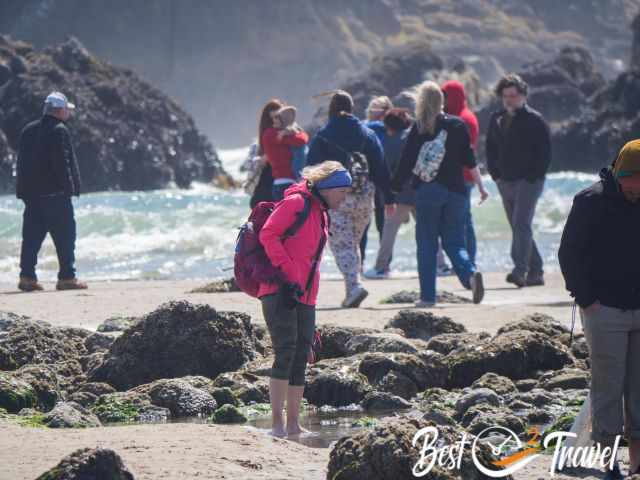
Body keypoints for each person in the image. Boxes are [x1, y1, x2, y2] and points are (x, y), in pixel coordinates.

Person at [558, 140, 640, 479]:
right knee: (607, 388)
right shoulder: (589, 202)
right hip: (603, 310)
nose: (636, 189)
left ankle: (638, 463)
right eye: (631, 183)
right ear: (619, 175)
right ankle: (608, 464)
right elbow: (569, 254)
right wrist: (586, 299)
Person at [259, 161, 351, 437]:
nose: (344, 197)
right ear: (326, 188)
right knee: (285, 351)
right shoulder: (296, 203)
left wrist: (306, 289)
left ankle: (293, 424)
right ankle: (276, 424)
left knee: (302, 356)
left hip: (306, 295)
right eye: (341, 191)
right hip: (279, 290)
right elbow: (268, 234)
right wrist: (288, 273)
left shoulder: (322, 213)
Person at [392, 81, 485, 308]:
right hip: (457, 191)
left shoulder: (420, 127)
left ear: (421, 102)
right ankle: (470, 273)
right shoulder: (458, 125)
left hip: (428, 192)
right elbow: (470, 161)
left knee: (427, 244)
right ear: (442, 101)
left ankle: (428, 297)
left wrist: (393, 189)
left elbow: (406, 162)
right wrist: (482, 187)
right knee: (455, 242)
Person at [307, 90, 395, 308]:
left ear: (332, 109)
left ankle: (354, 286)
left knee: (341, 246)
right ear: (352, 107)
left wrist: (308, 197)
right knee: (352, 244)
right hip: (365, 196)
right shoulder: (367, 134)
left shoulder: (323, 135)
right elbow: (380, 167)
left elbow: (310, 169)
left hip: (336, 197)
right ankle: (352, 290)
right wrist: (389, 198)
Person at [15, 92, 86, 292]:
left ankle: (27, 277)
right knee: (65, 237)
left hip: (32, 197)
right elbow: (62, 162)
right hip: (55, 196)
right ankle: (67, 278)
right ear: (59, 110)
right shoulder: (59, 130)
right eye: (67, 109)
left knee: (31, 239)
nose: (69, 112)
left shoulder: (28, 130)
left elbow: (21, 164)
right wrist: (70, 189)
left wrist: (22, 192)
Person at [486, 74, 551, 288]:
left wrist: (534, 176)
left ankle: (519, 271)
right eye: (505, 96)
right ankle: (536, 270)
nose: (509, 100)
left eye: (513, 96)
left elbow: (545, 154)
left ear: (523, 96)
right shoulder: (497, 118)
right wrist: (495, 175)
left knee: (521, 223)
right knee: (518, 227)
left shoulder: (535, 120)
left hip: (529, 181)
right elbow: (490, 149)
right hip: (505, 180)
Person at [364, 108, 413, 279]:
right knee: (427, 230)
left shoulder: (390, 143)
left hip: (399, 194)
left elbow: (385, 171)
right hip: (418, 190)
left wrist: (387, 196)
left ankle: (381, 267)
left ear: (388, 126)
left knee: (389, 230)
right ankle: (441, 265)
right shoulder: (411, 138)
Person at [442, 80, 487, 267]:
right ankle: (466, 261)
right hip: (460, 175)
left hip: (462, 176)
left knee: (464, 221)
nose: (442, 100)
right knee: (461, 219)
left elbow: (464, 152)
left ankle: (469, 261)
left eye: (445, 95)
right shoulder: (459, 115)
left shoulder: (463, 119)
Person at [361, 96, 394, 263]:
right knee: (381, 225)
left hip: (366, 181)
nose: (373, 113)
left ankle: (363, 264)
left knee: (367, 225)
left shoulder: (361, 128)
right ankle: (383, 264)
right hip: (381, 181)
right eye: (372, 109)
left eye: (377, 110)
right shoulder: (391, 130)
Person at [261, 103, 309, 201]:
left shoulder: (281, 133)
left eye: (278, 117)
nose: (274, 120)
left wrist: (290, 132)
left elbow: (304, 136)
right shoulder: (273, 134)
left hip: (283, 182)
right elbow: (301, 140)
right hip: (285, 182)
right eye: (274, 117)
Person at [251, 99, 285, 208]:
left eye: (278, 118)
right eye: (272, 119)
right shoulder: (267, 134)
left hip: (281, 180)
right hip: (270, 180)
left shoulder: (290, 134)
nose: (275, 123)